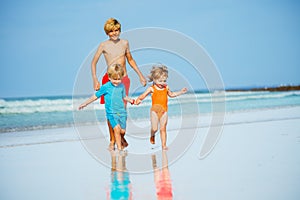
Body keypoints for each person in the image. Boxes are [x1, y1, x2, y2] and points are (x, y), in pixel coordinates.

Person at [91, 17, 147, 149]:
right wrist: (95, 79)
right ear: (107, 33)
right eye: (111, 31)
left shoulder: (125, 43)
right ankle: (112, 140)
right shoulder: (103, 45)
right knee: (110, 112)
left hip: (124, 80)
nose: (114, 33)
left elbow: (130, 60)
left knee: (122, 111)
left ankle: (120, 136)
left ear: (120, 30)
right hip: (108, 81)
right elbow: (93, 62)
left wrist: (140, 75)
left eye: (117, 30)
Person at [79, 64, 135, 151]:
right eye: (114, 79)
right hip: (111, 113)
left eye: (119, 79)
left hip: (122, 112)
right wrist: (85, 103)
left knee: (122, 131)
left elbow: (124, 97)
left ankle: (121, 141)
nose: (117, 81)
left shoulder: (122, 86)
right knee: (116, 129)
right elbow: (95, 96)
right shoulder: (105, 87)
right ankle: (119, 148)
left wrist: (131, 100)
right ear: (109, 77)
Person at [135, 65, 187, 150]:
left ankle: (164, 145)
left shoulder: (166, 87)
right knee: (155, 128)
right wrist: (138, 100)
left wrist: (181, 92)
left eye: (164, 81)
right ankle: (152, 134)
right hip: (154, 112)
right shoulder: (151, 88)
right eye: (160, 81)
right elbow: (143, 95)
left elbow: (172, 95)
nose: (162, 83)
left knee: (163, 128)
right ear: (154, 79)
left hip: (164, 111)